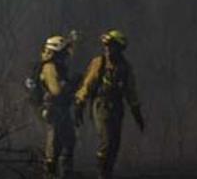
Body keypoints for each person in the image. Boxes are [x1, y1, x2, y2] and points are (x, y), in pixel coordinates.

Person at [74, 29, 144, 179]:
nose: (107, 49)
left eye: (111, 46)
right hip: (101, 104)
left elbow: (130, 90)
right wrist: (80, 103)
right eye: (106, 46)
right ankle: (102, 174)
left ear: (119, 48)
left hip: (117, 106)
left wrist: (136, 111)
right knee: (107, 140)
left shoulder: (125, 67)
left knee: (115, 143)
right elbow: (88, 84)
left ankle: (108, 172)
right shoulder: (99, 62)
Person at [40, 34, 77, 179]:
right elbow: (56, 91)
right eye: (65, 51)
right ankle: (50, 175)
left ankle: (64, 174)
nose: (68, 54)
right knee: (54, 144)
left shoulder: (59, 67)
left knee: (68, 141)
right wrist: (71, 84)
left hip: (61, 109)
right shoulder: (49, 67)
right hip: (55, 109)